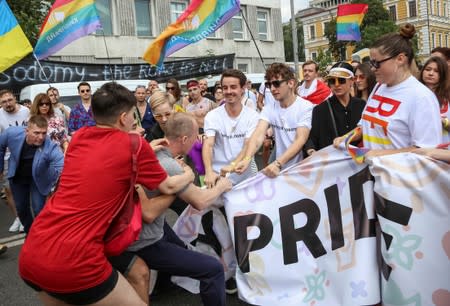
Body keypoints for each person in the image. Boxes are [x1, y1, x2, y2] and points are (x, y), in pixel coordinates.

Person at [18, 82, 195, 306]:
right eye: (132, 116)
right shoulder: (133, 143)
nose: (134, 122)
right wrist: (188, 173)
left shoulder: (79, 137)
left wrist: (146, 149)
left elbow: (102, 159)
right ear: (123, 117)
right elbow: (169, 186)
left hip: (33, 253)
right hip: (75, 259)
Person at [125, 112, 232, 306]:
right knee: (213, 269)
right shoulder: (169, 165)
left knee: (180, 244)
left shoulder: (152, 151)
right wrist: (222, 186)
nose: (197, 140)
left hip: (142, 229)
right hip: (143, 241)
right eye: (195, 136)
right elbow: (200, 201)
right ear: (184, 139)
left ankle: (164, 285)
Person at [334, 24, 442, 160]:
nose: (372, 69)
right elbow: (364, 126)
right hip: (377, 177)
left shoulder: (421, 97)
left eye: (376, 63)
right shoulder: (379, 86)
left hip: (403, 179)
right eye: (371, 63)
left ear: (400, 59)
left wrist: (377, 155)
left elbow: (428, 152)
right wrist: (345, 138)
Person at [235, 63, 314, 178]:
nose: (272, 88)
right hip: (280, 169)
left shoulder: (305, 107)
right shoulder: (269, 108)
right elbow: (258, 136)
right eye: (269, 84)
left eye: (276, 83)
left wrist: (277, 163)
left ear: (291, 83)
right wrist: (247, 159)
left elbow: (300, 139)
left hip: (302, 169)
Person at [0, 115, 64, 233]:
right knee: (21, 209)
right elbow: (0, 146)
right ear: (27, 131)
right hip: (18, 177)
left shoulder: (49, 145)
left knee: (38, 208)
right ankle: (30, 233)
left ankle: (41, 236)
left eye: (44, 133)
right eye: (36, 133)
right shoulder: (12, 134)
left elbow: (62, 165)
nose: (40, 137)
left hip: (39, 179)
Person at [203, 69, 260, 187]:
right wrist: (208, 172)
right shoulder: (212, 115)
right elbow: (208, 144)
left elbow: (248, 144)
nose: (228, 91)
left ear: (243, 89)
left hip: (245, 176)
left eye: (233, 87)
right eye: (225, 88)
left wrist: (233, 164)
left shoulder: (252, 116)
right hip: (219, 176)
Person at [304, 62, 366, 156]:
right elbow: (312, 138)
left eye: (341, 80)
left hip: (359, 161)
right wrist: (311, 151)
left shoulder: (362, 105)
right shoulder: (320, 109)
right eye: (332, 81)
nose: (336, 85)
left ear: (352, 81)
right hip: (332, 163)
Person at [0, 89, 29, 233]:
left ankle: (27, 217)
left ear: (15, 99)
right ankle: (19, 218)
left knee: (28, 188)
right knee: (9, 189)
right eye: (4, 102)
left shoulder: (26, 111)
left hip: (26, 153)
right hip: (7, 157)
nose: (7, 104)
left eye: (10, 100)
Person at [419, 56, 449, 143]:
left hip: (444, 151)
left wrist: (444, 122)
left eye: (436, 71)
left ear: (443, 75)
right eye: (428, 69)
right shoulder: (412, 93)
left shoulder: (447, 96)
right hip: (420, 149)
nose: (431, 73)